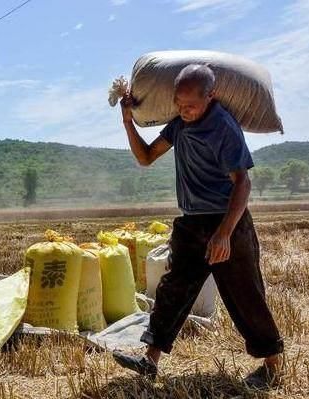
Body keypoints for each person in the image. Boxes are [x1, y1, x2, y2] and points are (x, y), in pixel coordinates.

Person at [113, 64, 284, 389]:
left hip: (227, 222)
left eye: (191, 105)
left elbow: (243, 183)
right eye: (179, 104)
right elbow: (146, 157)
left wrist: (224, 233)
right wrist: (126, 122)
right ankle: (150, 359)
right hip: (191, 224)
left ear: (211, 96)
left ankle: (273, 364)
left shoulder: (223, 126)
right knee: (173, 289)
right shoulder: (179, 125)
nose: (184, 110)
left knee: (245, 294)